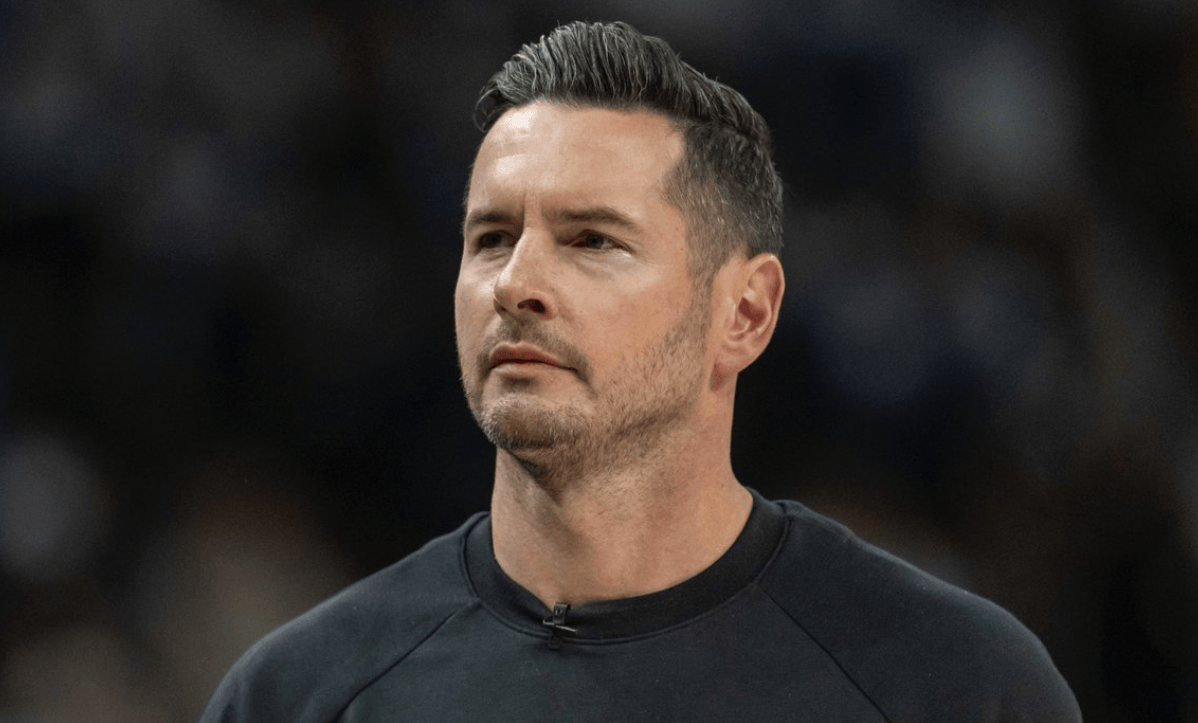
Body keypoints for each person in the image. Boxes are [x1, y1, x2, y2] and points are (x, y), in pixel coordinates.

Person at [200, 21, 1081, 722]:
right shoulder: (300, 694)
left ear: (744, 313)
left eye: (592, 239)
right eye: (492, 237)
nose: (515, 282)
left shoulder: (953, 684)